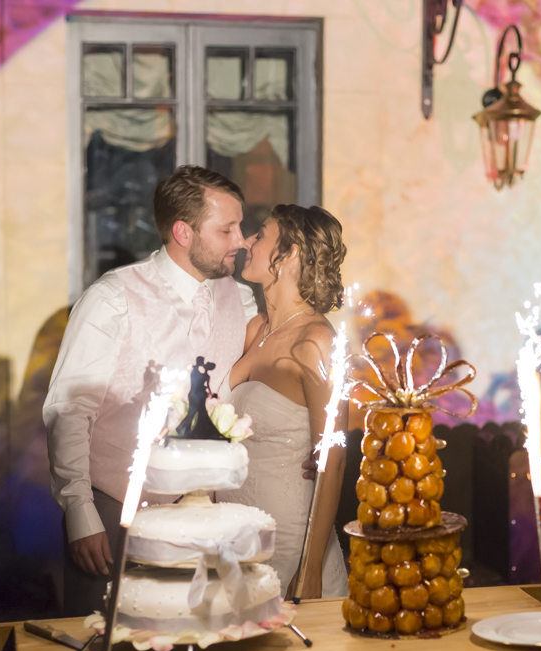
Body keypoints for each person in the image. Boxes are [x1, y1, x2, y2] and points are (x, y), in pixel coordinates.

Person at [44, 165, 258, 616]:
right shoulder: (112, 299)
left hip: (203, 517)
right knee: (99, 648)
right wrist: (80, 512)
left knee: (192, 644)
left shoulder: (240, 300)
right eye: (227, 230)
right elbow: (69, 409)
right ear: (183, 231)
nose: (241, 240)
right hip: (115, 513)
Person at [220, 205, 350, 599]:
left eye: (260, 235)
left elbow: (334, 457)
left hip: (288, 539)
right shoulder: (255, 329)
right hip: (234, 535)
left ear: (290, 252)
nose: (247, 241)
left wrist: (308, 570)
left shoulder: (317, 342)